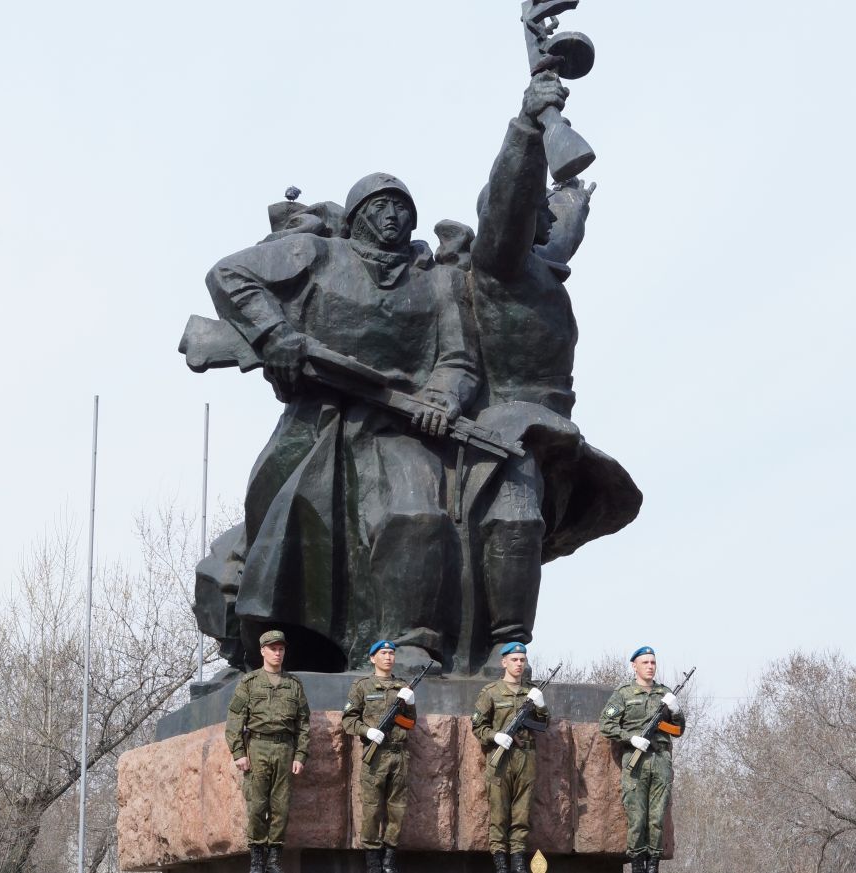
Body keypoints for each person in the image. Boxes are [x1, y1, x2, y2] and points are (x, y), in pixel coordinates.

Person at [198, 173, 480, 672]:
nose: (393, 216)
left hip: (398, 425)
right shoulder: (318, 254)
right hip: (316, 419)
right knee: (280, 513)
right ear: (354, 219)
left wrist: (441, 399)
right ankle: (270, 646)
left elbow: (458, 360)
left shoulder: (436, 283)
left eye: (402, 207)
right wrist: (274, 334)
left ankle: (412, 643)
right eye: (380, 206)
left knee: (418, 513)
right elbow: (227, 274)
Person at [462, 70, 642, 670]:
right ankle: (505, 650)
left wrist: (575, 198)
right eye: (530, 209)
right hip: (511, 423)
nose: (540, 216)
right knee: (516, 518)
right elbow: (515, 209)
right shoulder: (500, 266)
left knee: (534, 523)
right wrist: (528, 129)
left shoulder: (541, 265)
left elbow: (559, 234)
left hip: (554, 429)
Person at [224, 630, 311, 873]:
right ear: (263, 651)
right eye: (273, 648)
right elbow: (234, 720)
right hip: (258, 747)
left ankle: (274, 858)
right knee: (256, 805)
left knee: (281, 806)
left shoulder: (293, 685)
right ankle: (257, 857)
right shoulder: (250, 683)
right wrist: (239, 752)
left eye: (281, 648)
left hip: (285, 748)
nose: (277, 652)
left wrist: (300, 754)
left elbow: (303, 723)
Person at [598, 646, 685, 873]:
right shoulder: (624, 693)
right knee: (636, 816)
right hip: (636, 762)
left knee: (657, 817)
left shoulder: (665, 693)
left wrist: (675, 711)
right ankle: (637, 864)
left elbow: (678, 730)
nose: (650, 666)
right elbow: (606, 725)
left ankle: (653, 865)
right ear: (634, 666)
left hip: (660, 760)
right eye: (645, 662)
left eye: (653, 663)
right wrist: (631, 738)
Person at [471, 642, 549, 873]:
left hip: (526, 756)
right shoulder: (491, 692)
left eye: (522, 660)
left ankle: (518, 860)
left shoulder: (532, 692)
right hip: (500, 758)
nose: (519, 664)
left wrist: (541, 706)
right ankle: (500, 863)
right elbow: (477, 726)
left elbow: (544, 724)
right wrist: (496, 737)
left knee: (522, 812)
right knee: (499, 812)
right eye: (514, 660)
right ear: (504, 662)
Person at [341, 640, 418, 873]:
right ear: (372, 658)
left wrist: (411, 703)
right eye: (383, 653)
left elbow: (410, 722)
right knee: (372, 809)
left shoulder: (403, 686)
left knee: (398, 809)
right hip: (375, 757)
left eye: (392, 653)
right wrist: (367, 731)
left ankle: (390, 857)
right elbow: (348, 719)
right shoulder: (362, 686)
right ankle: (373, 860)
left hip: (399, 754)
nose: (388, 657)